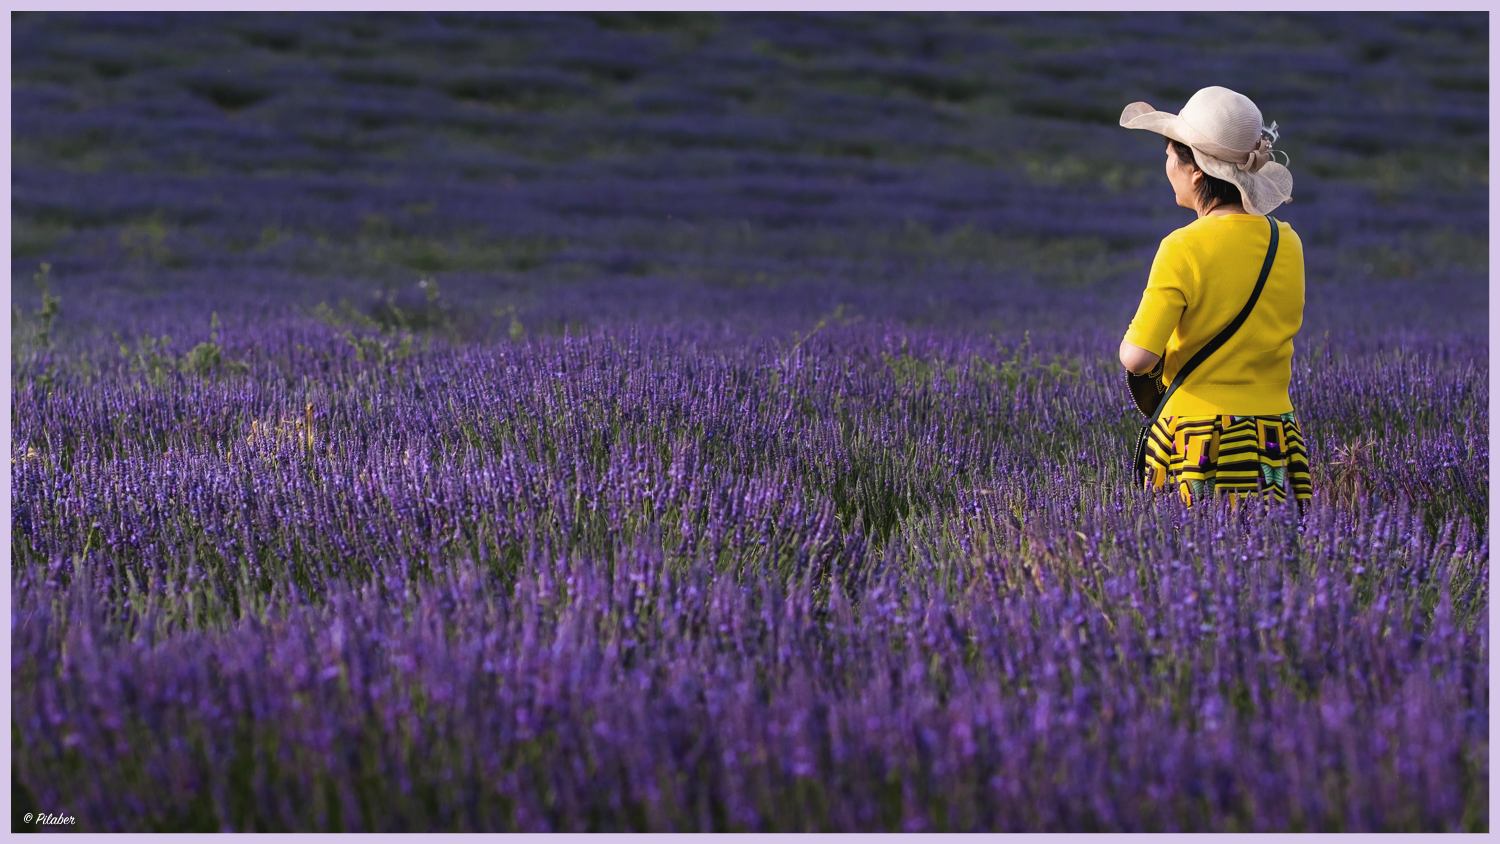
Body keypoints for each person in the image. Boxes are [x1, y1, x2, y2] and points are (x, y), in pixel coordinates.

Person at [1117, 86, 1311, 510]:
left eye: (1170, 153)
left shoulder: (1182, 247)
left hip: (1198, 440)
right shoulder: (1287, 241)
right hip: (1273, 437)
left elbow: (1138, 358)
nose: (1166, 163)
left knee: (1196, 563)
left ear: (1196, 172)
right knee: (1276, 561)